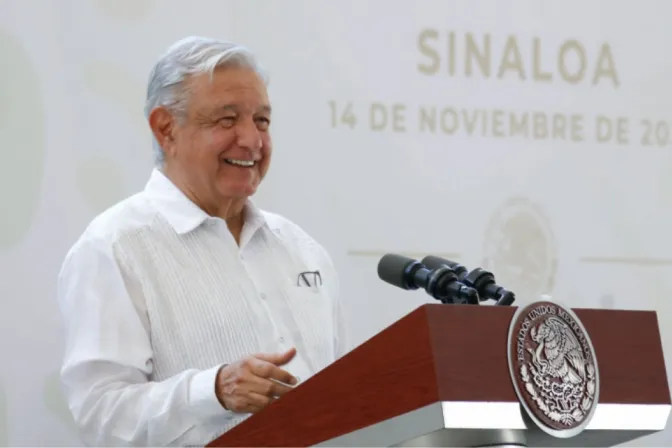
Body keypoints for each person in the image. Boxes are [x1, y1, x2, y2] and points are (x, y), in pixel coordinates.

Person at [56, 36, 349, 447]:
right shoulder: (114, 247)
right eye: (227, 120)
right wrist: (213, 391)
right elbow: (100, 412)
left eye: (262, 120)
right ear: (165, 128)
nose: (251, 140)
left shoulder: (301, 248)